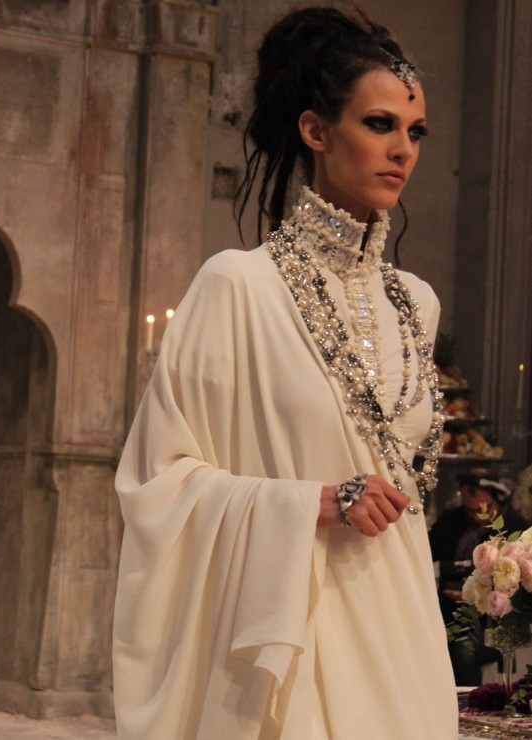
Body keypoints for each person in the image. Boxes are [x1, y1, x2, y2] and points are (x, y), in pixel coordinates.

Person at [113, 5, 458, 738]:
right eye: (379, 124)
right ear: (315, 130)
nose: (402, 149)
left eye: (416, 131)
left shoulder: (416, 304)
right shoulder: (238, 286)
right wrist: (314, 505)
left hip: (403, 640)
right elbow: (157, 481)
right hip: (292, 639)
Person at [429, 469, 528, 686]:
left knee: (464, 652)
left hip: (493, 620)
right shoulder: (450, 521)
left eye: (481, 509)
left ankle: (469, 703)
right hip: (446, 609)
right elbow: (424, 554)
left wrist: (480, 592)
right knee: (422, 642)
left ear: (496, 498)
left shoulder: (517, 529)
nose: (475, 516)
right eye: (469, 509)